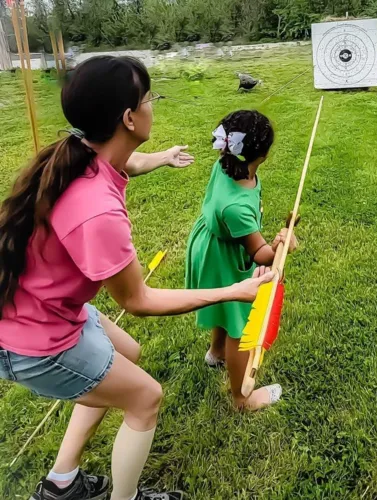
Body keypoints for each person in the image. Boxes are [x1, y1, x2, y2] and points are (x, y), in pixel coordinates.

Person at [0, 57, 274, 500]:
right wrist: (234, 291)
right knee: (145, 397)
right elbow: (139, 301)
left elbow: (127, 163)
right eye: (149, 98)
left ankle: (62, 483)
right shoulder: (98, 210)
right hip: (30, 342)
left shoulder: (78, 153)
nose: (152, 105)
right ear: (129, 118)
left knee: (126, 352)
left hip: (40, 310)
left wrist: (162, 158)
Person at [185, 110, 297, 411]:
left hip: (211, 246)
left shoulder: (226, 163)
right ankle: (241, 398)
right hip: (223, 260)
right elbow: (260, 255)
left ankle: (215, 353)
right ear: (263, 153)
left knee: (226, 306)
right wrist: (280, 245)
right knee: (240, 325)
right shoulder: (236, 208)